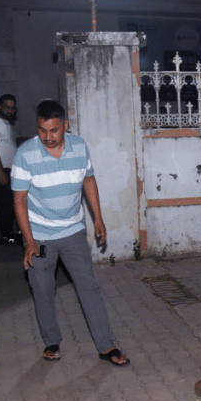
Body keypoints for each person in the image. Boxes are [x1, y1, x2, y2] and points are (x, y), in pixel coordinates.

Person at [11, 99, 128, 366]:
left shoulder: (79, 147)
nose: (48, 137)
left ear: (65, 125)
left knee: (89, 287)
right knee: (42, 290)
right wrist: (28, 241)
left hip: (74, 231)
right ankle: (51, 341)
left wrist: (98, 218)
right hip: (39, 235)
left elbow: (88, 179)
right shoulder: (25, 154)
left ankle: (106, 345)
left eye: (54, 130)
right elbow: (19, 201)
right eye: (42, 130)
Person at [0, 94, 20, 245]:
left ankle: (13, 233)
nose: (10, 110)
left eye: (12, 107)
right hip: (0, 170)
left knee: (13, 203)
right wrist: (0, 171)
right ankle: (6, 237)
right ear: (0, 107)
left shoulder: (7, 124)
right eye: (7, 107)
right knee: (5, 205)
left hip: (10, 170)